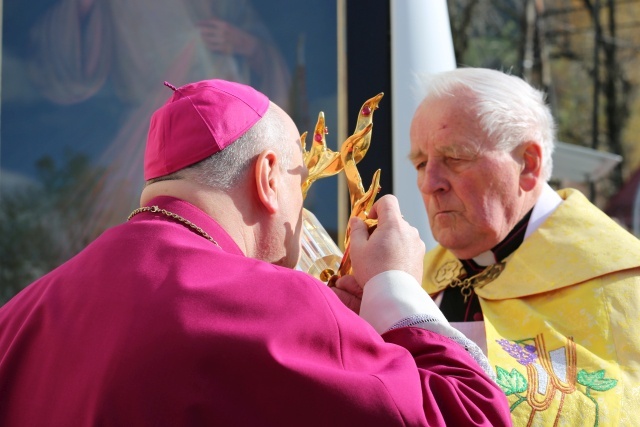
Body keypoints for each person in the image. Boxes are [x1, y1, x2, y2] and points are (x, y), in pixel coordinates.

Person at [0, 79, 511, 426]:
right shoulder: (274, 303)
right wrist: (396, 291)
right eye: (300, 179)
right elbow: (472, 415)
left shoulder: (19, 315)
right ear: (267, 177)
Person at [409, 67, 640, 426]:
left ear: (527, 165)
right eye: (421, 163)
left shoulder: (622, 281)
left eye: (455, 158)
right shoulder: (413, 277)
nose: (430, 183)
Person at [27, 0, 291, 242]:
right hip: (141, 133)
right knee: (127, 230)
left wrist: (245, 43)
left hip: (221, 133)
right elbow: (59, 64)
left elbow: (266, 60)